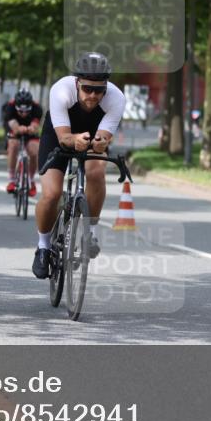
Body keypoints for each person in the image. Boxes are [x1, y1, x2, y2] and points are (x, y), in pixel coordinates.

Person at [32, 52, 126, 279]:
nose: (93, 96)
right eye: (87, 89)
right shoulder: (61, 90)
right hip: (58, 135)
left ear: (106, 87)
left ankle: (90, 232)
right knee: (52, 194)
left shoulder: (116, 98)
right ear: (77, 83)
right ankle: (43, 246)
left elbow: (104, 137)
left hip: (92, 135)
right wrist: (74, 140)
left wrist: (101, 143)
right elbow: (64, 138)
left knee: (96, 172)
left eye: (99, 90)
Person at [4, 90, 43, 197]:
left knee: (34, 151)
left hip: (30, 131)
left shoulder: (37, 108)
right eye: (20, 111)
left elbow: (35, 125)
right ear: (16, 106)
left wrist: (32, 128)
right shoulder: (10, 107)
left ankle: (30, 180)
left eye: (27, 111)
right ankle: (12, 179)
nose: (24, 113)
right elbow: (14, 126)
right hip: (15, 130)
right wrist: (18, 128)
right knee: (13, 146)